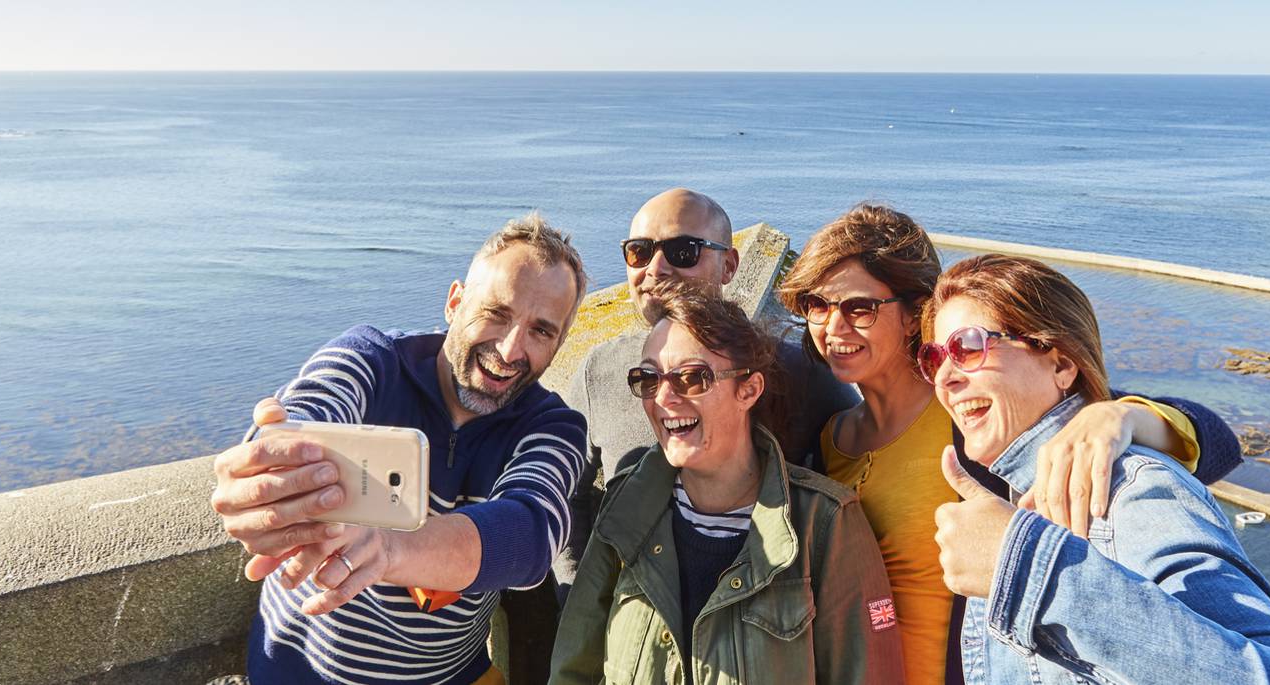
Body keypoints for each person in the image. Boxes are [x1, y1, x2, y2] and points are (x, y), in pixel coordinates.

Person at [771, 204, 1245, 685]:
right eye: (816, 306)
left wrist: (1120, 414)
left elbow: (1220, 444)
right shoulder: (831, 437)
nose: (832, 328)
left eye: (859, 308)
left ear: (915, 315)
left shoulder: (975, 418)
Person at [926, 255, 1270, 684]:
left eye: (967, 347)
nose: (945, 376)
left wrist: (1025, 567)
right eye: (933, 357)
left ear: (1060, 364)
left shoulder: (1132, 492)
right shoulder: (994, 458)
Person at [209, 213, 591, 685]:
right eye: (496, 314)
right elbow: (312, 409)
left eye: (541, 330)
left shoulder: (553, 426)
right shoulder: (371, 362)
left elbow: (531, 532)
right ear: (454, 303)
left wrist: (390, 548)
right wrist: (268, 474)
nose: (511, 350)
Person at [549, 284, 904, 685]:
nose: (663, 397)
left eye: (691, 378)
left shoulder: (825, 525)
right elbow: (572, 668)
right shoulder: (626, 508)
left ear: (748, 389)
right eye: (648, 378)